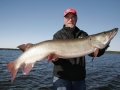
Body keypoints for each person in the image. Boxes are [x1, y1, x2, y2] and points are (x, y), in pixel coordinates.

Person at [52, 8, 109, 90]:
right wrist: (55, 59)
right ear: (64, 19)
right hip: (62, 77)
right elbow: (58, 61)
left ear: (77, 19)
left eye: (73, 17)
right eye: (68, 17)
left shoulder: (83, 34)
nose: (70, 19)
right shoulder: (58, 36)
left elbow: (93, 53)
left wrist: (104, 45)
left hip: (79, 78)